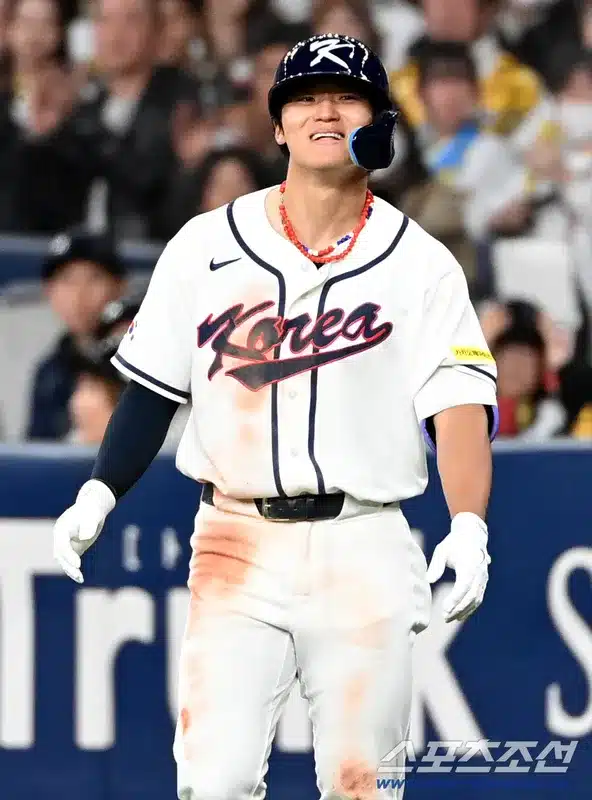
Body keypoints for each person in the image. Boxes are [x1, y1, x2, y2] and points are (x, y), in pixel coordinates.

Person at [52, 34, 497, 799]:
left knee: (363, 788)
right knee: (212, 782)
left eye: (346, 95)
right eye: (304, 97)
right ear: (279, 125)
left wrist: (468, 522)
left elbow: (457, 401)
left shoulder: (421, 261)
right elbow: (156, 387)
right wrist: (99, 491)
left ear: (380, 121)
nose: (325, 109)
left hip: (365, 541)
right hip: (236, 539)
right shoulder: (205, 246)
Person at [27, 228, 126, 440]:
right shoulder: (49, 372)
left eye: (94, 278)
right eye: (67, 280)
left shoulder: (145, 357)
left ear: (119, 286)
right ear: (49, 291)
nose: (79, 294)